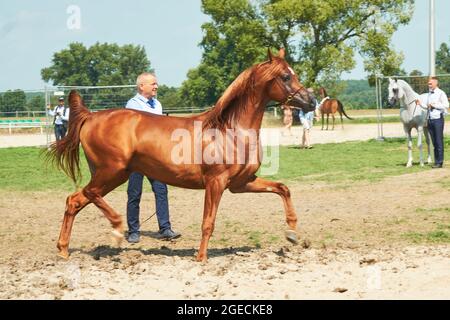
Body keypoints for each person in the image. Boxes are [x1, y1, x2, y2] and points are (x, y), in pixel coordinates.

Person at [125, 72, 181, 243]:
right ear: (142, 86)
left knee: (161, 191)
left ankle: (165, 228)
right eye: (153, 84)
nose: (156, 86)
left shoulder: (157, 104)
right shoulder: (132, 105)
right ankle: (134, 230)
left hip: (155, 158)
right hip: (137, 158)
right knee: (134, 193)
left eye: (156, 83)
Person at [426, 76, 449, 168]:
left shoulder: (441, 93)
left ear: (436, 83)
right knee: (434, 142)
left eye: (430, 83)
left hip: (438, 119)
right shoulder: (429, 94)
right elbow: (428, 106)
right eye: (428, 83)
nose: (429, 85)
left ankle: (440, 162)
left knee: (439, 141)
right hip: (430, 119)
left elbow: (446, 105)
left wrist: (434, 105)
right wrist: (421, 104)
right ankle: (437, 161)